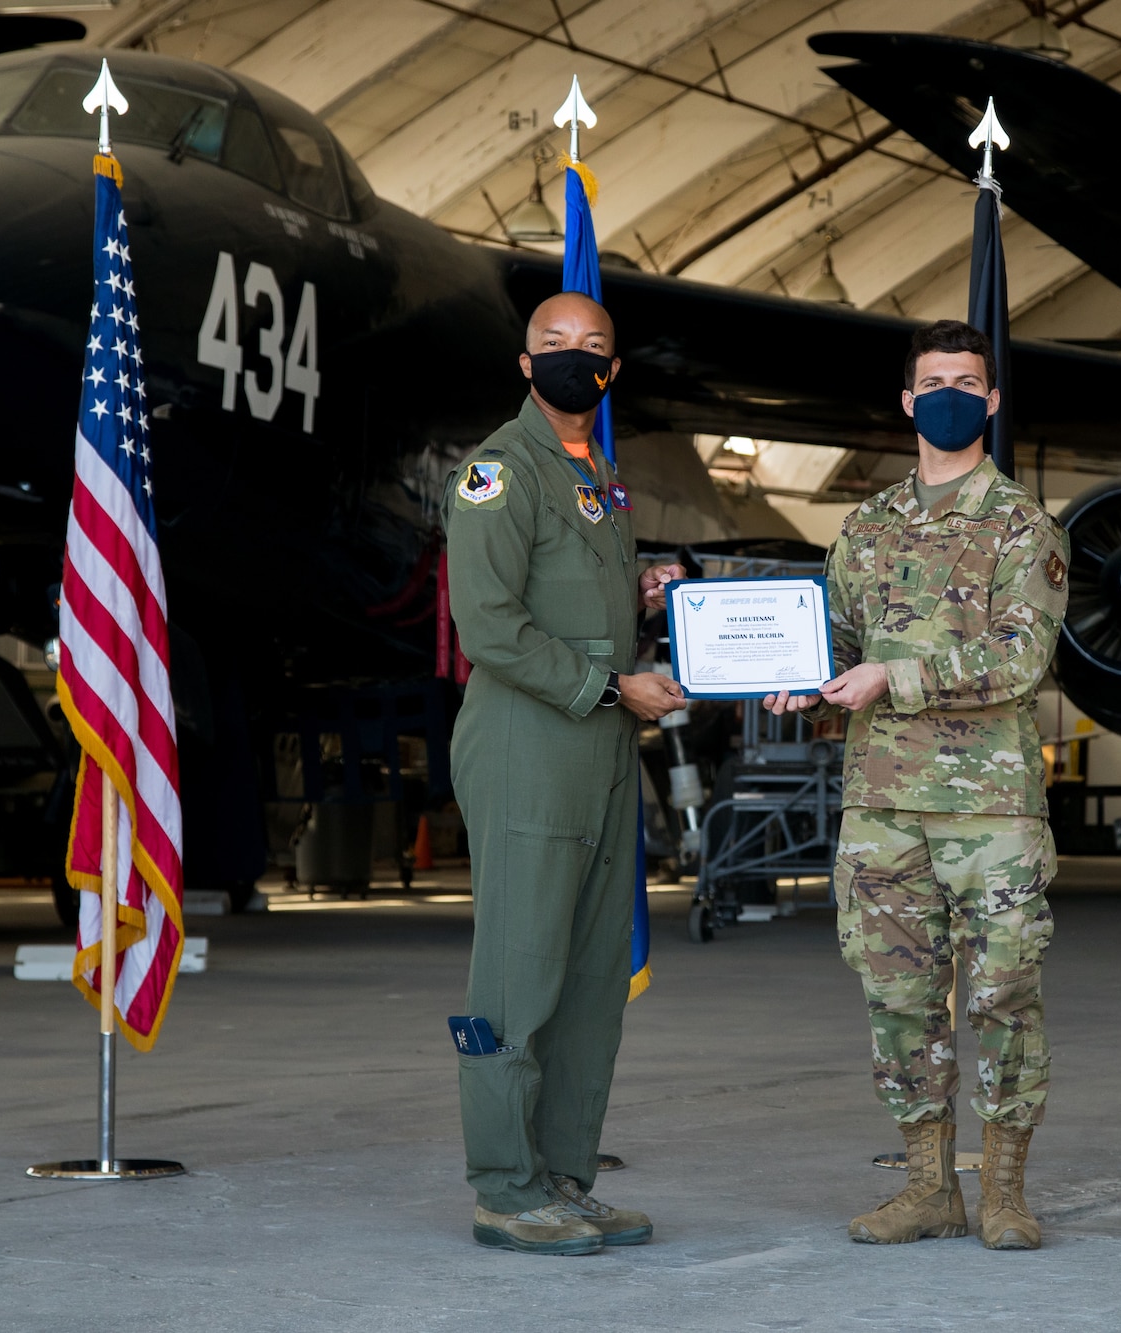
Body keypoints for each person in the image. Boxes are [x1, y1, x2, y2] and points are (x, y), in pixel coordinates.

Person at [765, 319, 1070, 1250]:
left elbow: (1023, 658)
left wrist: (889, 679)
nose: (949, 392)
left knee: (1003, 992)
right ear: (908, 401)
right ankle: (929, 1188)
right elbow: (842, 655)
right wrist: (804, 691)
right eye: (932, 379)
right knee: (897, 999)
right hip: (883, 806)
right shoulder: (865, 526)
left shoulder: (1024, 526)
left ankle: (1006, 1192)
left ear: (990, 399)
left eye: (966, 380)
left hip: (989, 812)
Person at [444, 291, 685, 1255]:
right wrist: (607, 685)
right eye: (556, 345)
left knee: (589, 974)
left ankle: (563, 1177)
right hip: (530, 741)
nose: (574, 358)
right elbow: (491, 627)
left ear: (613, 371)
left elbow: (573, 592)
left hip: (601, 746)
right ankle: (504, 1185)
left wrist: (642, 593)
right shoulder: (500, 470)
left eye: (594, 347)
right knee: (518, 968)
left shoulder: (601, 475)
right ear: (524, 360)